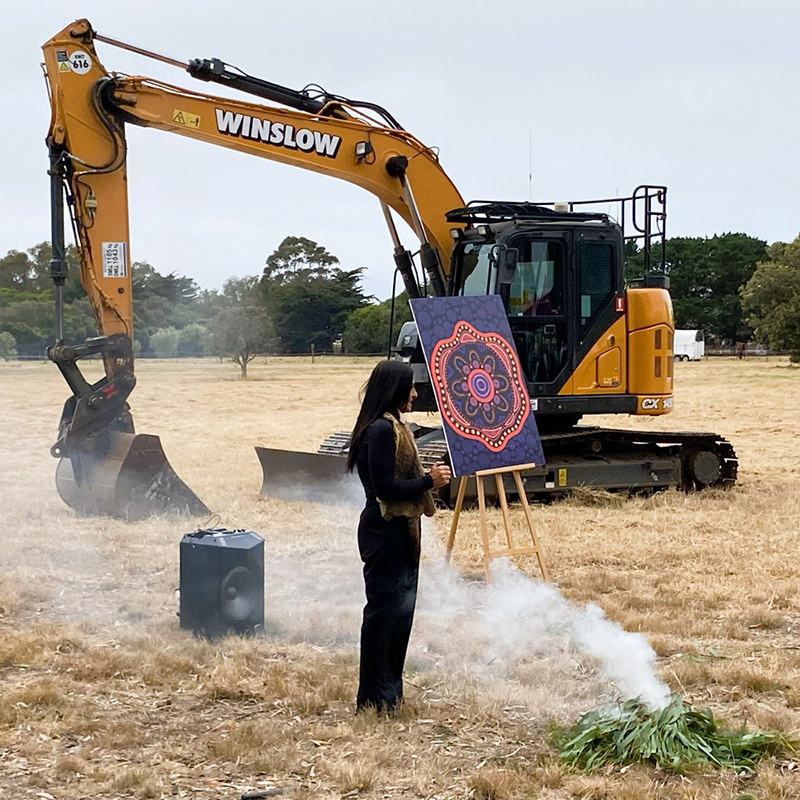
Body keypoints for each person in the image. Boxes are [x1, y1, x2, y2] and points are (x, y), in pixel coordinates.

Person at [346, 360, 451, 714]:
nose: (415, 394)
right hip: (383, 532)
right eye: (410, 387)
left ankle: (389, 696)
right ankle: (371, 699)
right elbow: (387, 490)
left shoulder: (394, 427)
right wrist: (428, 482)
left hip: (402, 532)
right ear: (394, 390)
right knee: (383, 615)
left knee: (399, 615)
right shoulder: (379, 431)